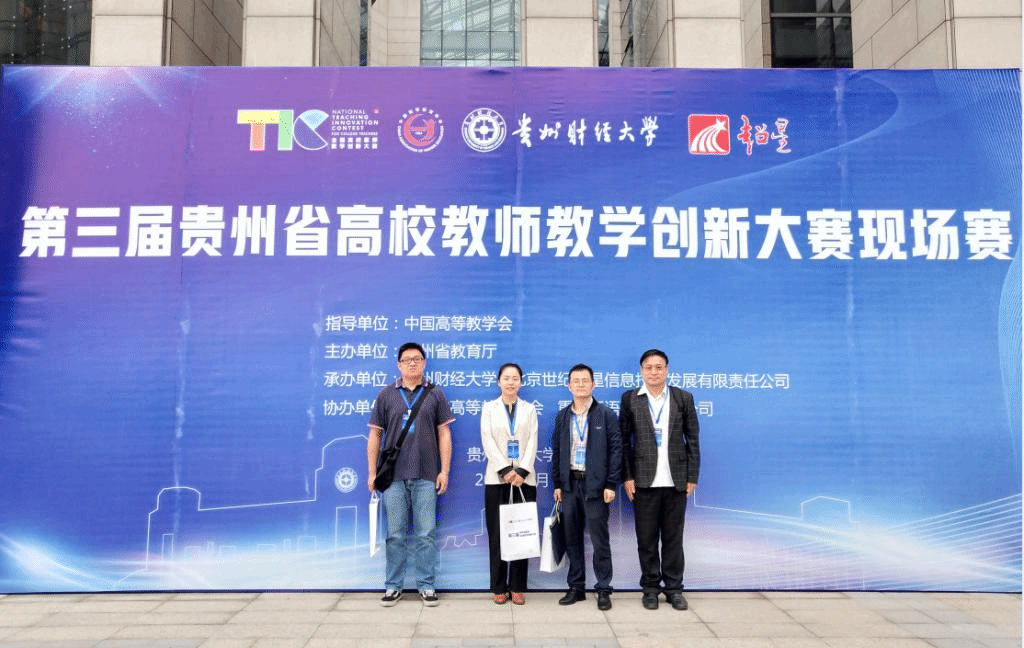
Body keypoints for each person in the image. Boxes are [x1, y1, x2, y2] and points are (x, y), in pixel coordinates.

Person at [367, 342, 454, 607]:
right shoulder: (386, 395)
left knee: (426, 533)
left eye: (417, 359)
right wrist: (372, 473)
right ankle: (393, 586)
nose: (412, 363)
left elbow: (444, 433)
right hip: (392, 476)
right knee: (395, 534)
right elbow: (375, 435)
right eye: (407, 360)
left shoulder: (435, 394)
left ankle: (426, 585)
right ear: (399, 365)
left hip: (427, 474)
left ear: (424, 363)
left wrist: (444, 471)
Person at [619, 349, 701, 611]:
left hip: (676, 480)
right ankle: (651, 589)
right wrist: (627, 477)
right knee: (647, 540)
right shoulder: (630, 399)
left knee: (673, 540)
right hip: (643, 481)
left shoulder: (682, 398)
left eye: (658, 367)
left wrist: (692, 476)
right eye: (648, 367)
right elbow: (623, 442)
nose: (653, 372)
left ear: (666, 370)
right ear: (641, 370)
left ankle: (674, 589)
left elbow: (693, 439)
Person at [550, 363, 622, 610]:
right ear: (569, 386)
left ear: (593, 384)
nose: (580, 385)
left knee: (600, 540)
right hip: (570, 485)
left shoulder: (606, 414)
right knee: (572, 538)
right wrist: (558, 483)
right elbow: (557, 451)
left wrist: (611, 483)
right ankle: (576, 587)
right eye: (576, 381)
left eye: (585, 380)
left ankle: (603, 588)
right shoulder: (562, 416)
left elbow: (616, 450)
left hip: (597, 486)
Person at [480, 362, 539, 605]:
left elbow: (533, 440)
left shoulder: (529, 409)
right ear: (499, 382)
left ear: (521, 382)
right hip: (497, 479)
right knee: (497, 534)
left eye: (515, 378)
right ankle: (498, 586)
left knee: (521, 533)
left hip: (525, 479)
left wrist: (521, 471)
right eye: (506, 378)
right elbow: (487, 440)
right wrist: (505, 470)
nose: (511, 382)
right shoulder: (489, 408)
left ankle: (517, 586)